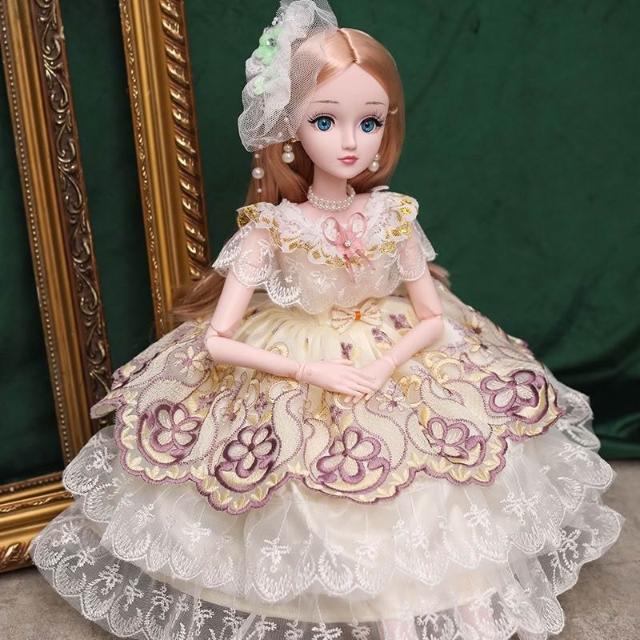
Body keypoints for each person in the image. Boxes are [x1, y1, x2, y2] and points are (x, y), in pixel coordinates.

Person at [29, 1, 623, 638]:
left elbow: (430, 317)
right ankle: (375, 608)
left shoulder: (394, 216)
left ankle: (463, 608)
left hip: (389, 351)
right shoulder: (271, 230)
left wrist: (385, 364)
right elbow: (217, 340)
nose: (349, 141)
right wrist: (311, 371)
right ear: (291, 127)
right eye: (325, 120)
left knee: (440, 475)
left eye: (369, 122)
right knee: (311, 478)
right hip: (300, 355)